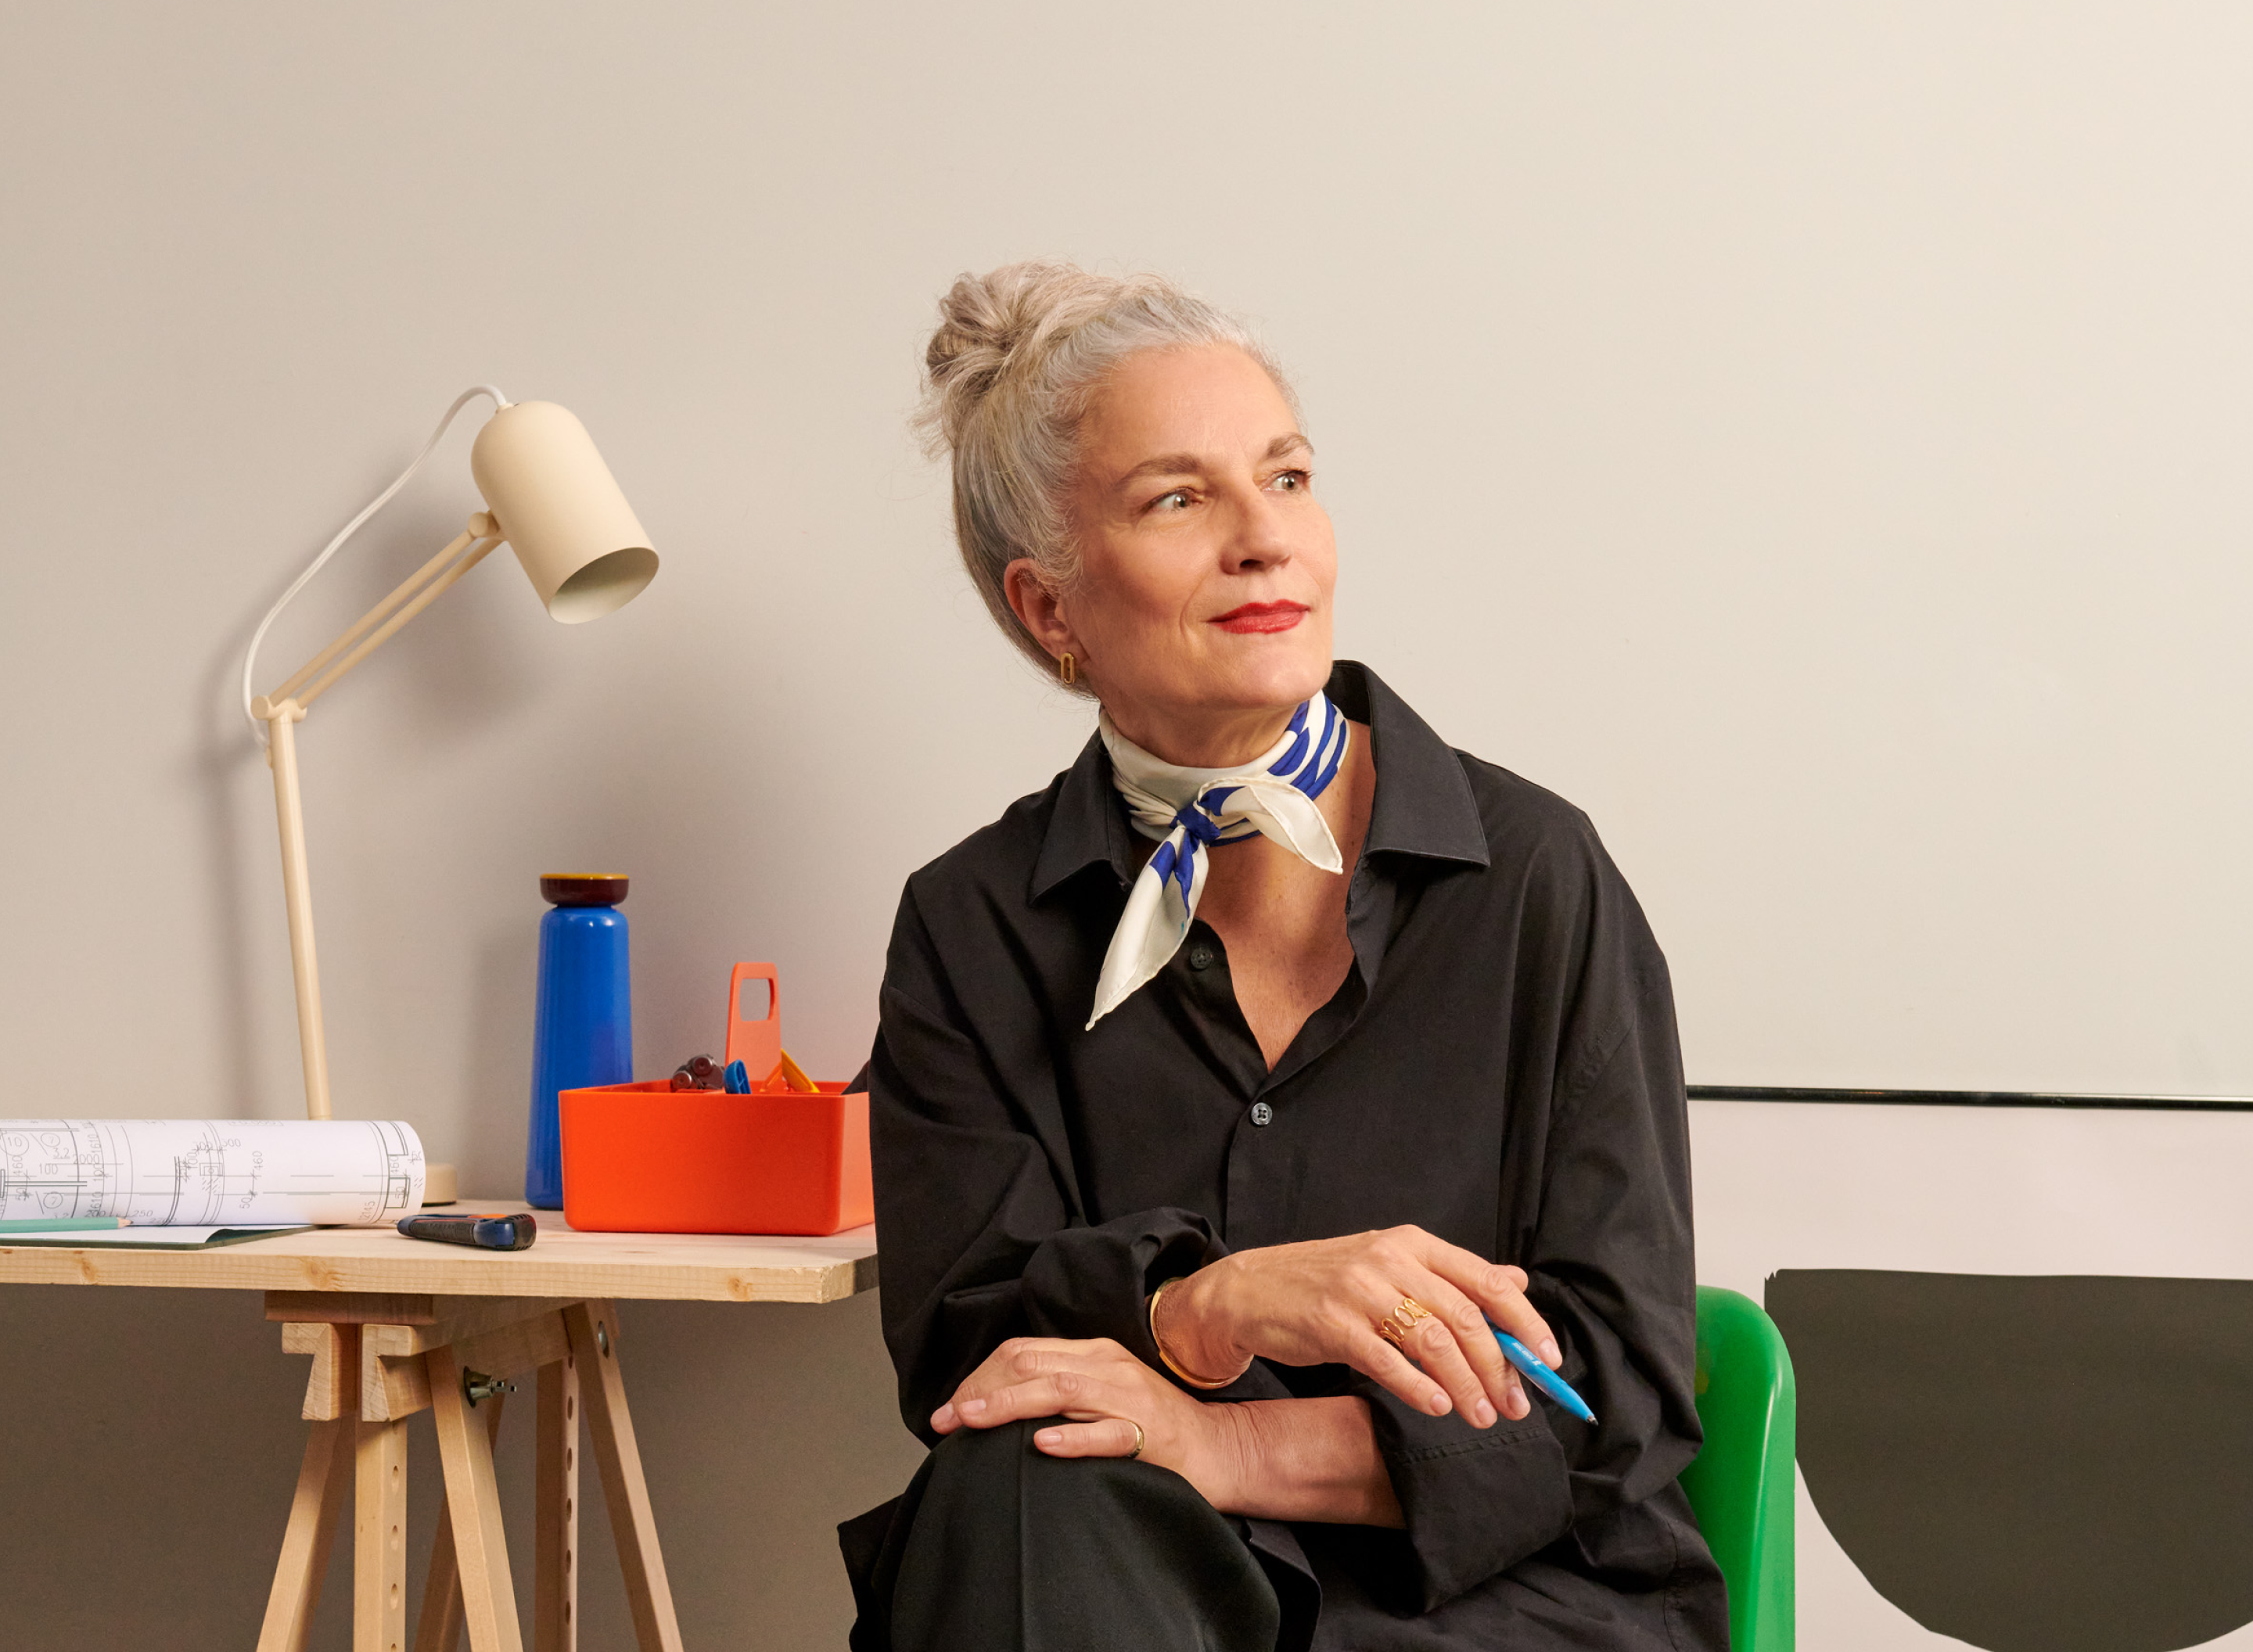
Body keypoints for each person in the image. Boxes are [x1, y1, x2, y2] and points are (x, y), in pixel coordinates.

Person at [838, 261, 1726, 1652]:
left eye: (1289, 478)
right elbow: (978, 1367)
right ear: (1050, 609)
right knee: (1020, 1474)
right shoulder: (972, 927)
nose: (1265, 540)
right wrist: (1211, 1303)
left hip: (1497, 1612)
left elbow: (1613, 1398)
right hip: (1116, 1584)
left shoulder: (1537, 879)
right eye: (1177, 500)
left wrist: (1229, 1442)